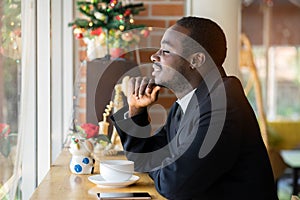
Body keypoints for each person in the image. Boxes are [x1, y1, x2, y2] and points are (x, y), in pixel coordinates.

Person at [111, 16, 278, 200]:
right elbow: (144, 159)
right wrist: (136, 110)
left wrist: (159, 165)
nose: (154, 56)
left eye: (166, 51)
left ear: (196, 60)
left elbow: (174, 185)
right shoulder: (183, 106)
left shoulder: (224, 104)